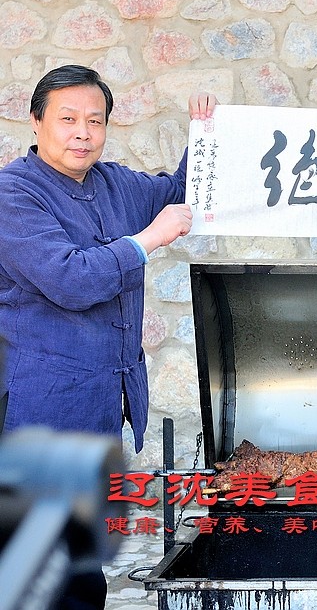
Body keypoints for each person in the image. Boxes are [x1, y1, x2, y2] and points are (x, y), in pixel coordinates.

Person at [0, 65, 215, 608]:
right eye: (67, 119)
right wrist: (146, 241)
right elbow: (70, 279)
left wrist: (204, 134)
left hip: (99, 405)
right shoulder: (12, 195)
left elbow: (179, 192)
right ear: (35, 122)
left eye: (95, 121)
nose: (82, 132)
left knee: (81, 558)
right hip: (39, 409)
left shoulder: (115, 183)